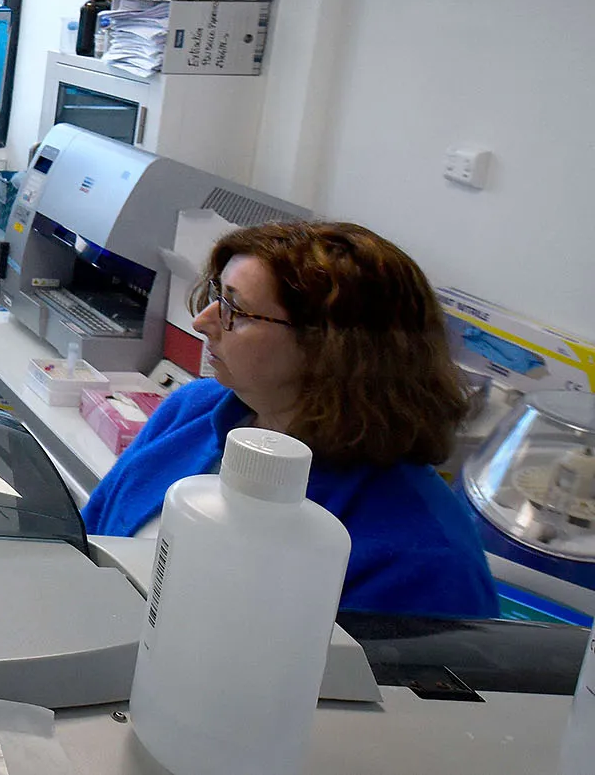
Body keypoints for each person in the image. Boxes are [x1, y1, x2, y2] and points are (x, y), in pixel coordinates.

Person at [82, 221, 497, 619]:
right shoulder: (195, 407)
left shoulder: (425, 561)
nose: (203, 322)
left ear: (330, 348)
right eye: (216, 296)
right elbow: (86, 543)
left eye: (235, 309)